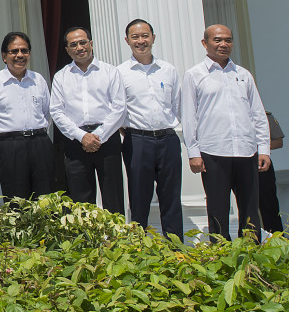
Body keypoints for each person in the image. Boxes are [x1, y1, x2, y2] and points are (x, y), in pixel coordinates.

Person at [182, 24, 270, 240]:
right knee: (218, 211)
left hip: (246, 152)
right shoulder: (194, 75)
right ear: (205, 43)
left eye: (228, 40)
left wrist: (264, 149)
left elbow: (257, 114)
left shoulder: (243, 74)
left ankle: (251, 256)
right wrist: (193, 153)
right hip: (214, 152)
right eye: (218, 40)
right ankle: (221, 256)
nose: (224, 44)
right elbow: (188, 116)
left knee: (250, 210)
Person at [117, 19, 184, 240]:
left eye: (145, 36)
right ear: (127, 41)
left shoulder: (168, 70)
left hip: (168, 139)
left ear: (153, 38)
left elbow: (177, 105)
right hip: (137, 141)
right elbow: (117, 110)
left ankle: (177, 249)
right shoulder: (119, 73)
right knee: (139, 198)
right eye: (135, 37)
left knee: (171, 198)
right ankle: (139, 248)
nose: (141, 41)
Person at [49, 26, 126, 214]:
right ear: (67, 50)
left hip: (107, 140)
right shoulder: (61, 76)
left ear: (91, 44)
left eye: (83, 42)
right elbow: (56, 111)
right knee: (81, 200)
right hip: (76, 142)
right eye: (73, 44)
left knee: (113, 197)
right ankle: (87, 241)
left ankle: (118, 242)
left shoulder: (110, 72)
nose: (79, 47)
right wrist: (82, 136)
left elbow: (119, 108)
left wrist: (97, 136)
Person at [0, 31, 53, 201]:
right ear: (4, 56)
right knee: (16, 201)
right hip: (10, 147)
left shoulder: (39, 80)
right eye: (14, 51)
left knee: (45, 199)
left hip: (40, 143)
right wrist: (5, 142)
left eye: (24, 51)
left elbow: (47, 113)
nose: (20, 55)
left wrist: (38, 137)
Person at [259, 111, 283, 234]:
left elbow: (278, 141)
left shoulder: (265, 116)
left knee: (269, 204)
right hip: (238, 166)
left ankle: (276, 238)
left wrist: (259, 148)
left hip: (261, 165)